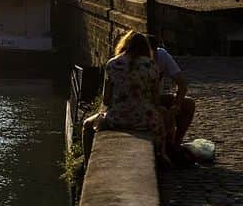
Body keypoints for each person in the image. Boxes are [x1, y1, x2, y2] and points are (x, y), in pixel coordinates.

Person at [83, 29, 169, 163]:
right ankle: (162, 153)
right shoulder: (151, 65)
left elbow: (106, 100)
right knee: (164, 116)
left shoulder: (112, 64)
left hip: (117, 119)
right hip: (145, 119)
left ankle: (87, 162)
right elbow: (155, 100)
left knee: (87, 125)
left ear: (125, 45)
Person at [149, 34, 196, 152]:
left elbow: (182, 84)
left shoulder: (162, 56)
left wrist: (176, 105)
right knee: (163, 112)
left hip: (156, 98)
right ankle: (164, 146)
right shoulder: (137, 62)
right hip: (140, 100)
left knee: (188, 104)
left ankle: (176, 143)